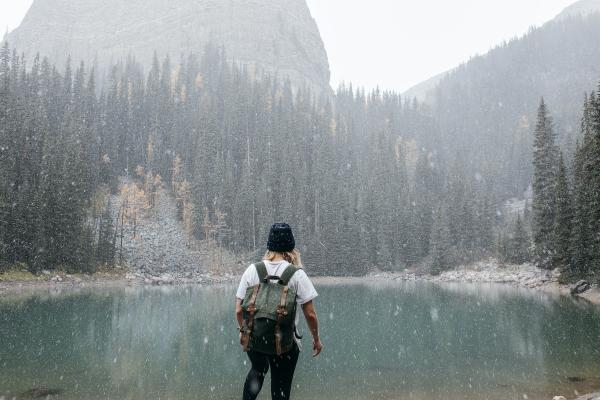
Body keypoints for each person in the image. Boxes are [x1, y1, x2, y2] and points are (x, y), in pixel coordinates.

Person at [235, 222, 323, 400]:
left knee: (257, 371)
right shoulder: (297, 274)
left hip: (256, 338)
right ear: (291, 247)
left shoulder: (252, 270)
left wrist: (244, 332)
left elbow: (239, 310)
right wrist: (316, 339)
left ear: (270, 246)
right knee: (280, 386)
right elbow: (310, 314)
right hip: (285, 343)